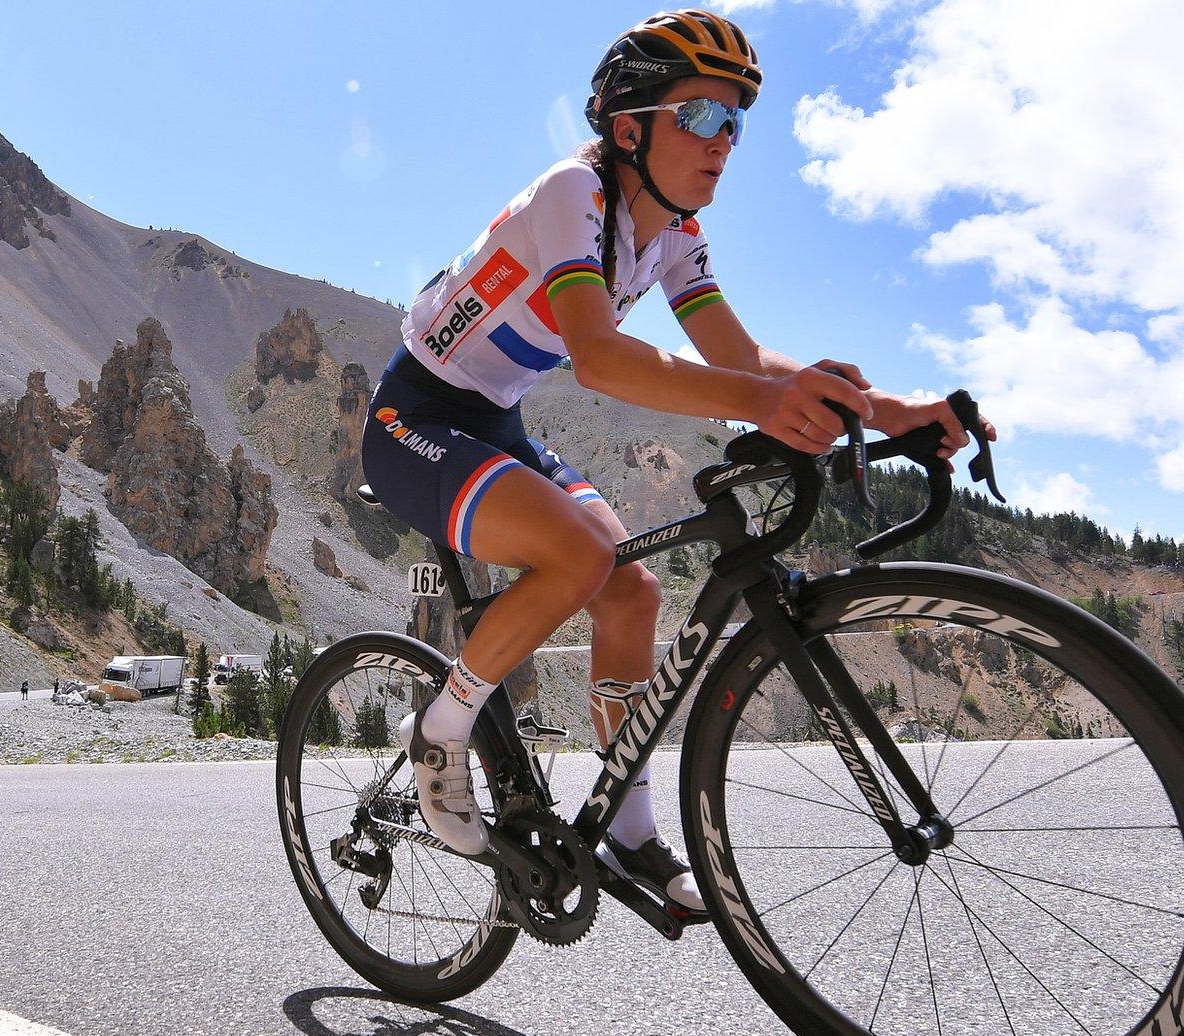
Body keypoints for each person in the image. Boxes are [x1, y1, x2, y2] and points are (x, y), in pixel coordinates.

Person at [361, 10, 995, 910]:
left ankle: (625, 831)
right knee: (578, 556)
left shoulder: (673, 232)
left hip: (492, 418)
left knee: (631, 585)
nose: (724, 140)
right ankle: (443, 724)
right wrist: (765, 402)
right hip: (412, 416)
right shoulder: (567, 199)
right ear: (630, 127)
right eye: (700, 116)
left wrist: (891, 410)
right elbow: (601, 357)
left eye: (735, 121)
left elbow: (737, 355)